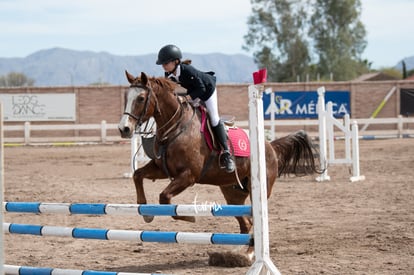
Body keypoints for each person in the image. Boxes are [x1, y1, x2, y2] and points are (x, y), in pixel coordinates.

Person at [156, 44, 235, 173]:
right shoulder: (168, 74)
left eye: (166, 62)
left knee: (214, 119)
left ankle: (227, 153)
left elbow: (202, 89)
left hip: (208, 91)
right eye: (162, 63)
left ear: (176, 61)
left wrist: (186, 97)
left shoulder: (187, 70)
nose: (163, 65)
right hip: (194, 92)